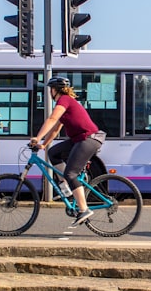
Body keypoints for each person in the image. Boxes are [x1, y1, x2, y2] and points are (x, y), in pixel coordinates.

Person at [29, 76, 106, 226]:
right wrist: (44, 145)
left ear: (54, 90)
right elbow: (56, 128)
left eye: (50, 89)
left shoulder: (64, 100)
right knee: (53, 153)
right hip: (80, 139)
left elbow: (51, 119)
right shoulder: (66, 104)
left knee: (71, 173)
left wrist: (37, 138)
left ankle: (84, 209)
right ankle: (65, 185)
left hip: (88, 138)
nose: (49, 93)